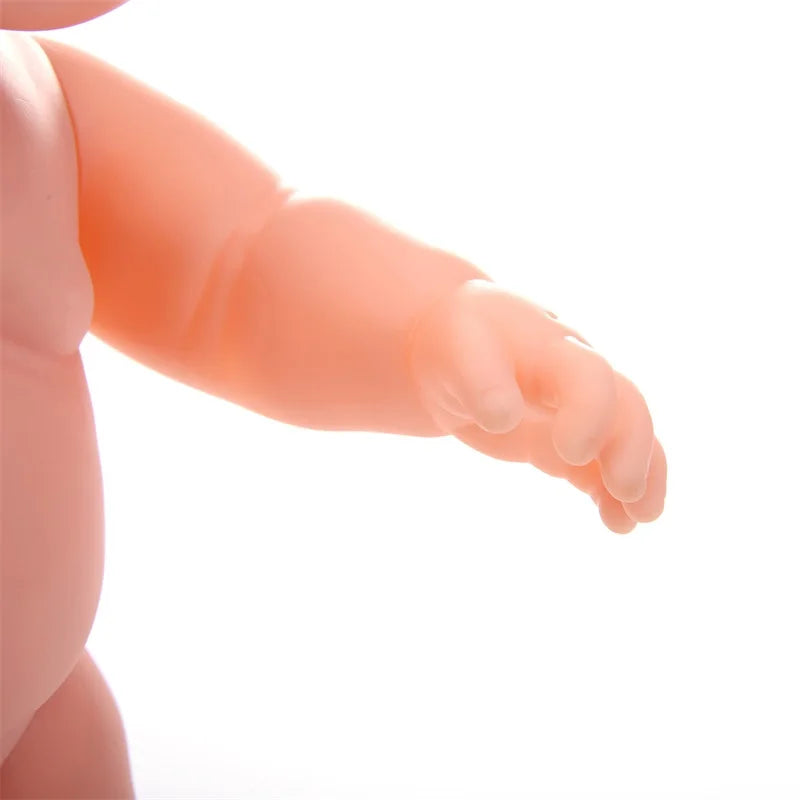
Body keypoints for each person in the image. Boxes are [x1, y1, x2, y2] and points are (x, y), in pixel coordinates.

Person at [0, 1, 666, 795]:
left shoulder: (28, 101)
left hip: (33, 717)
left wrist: (421, 328)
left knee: (71, 743)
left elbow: (234, 264)